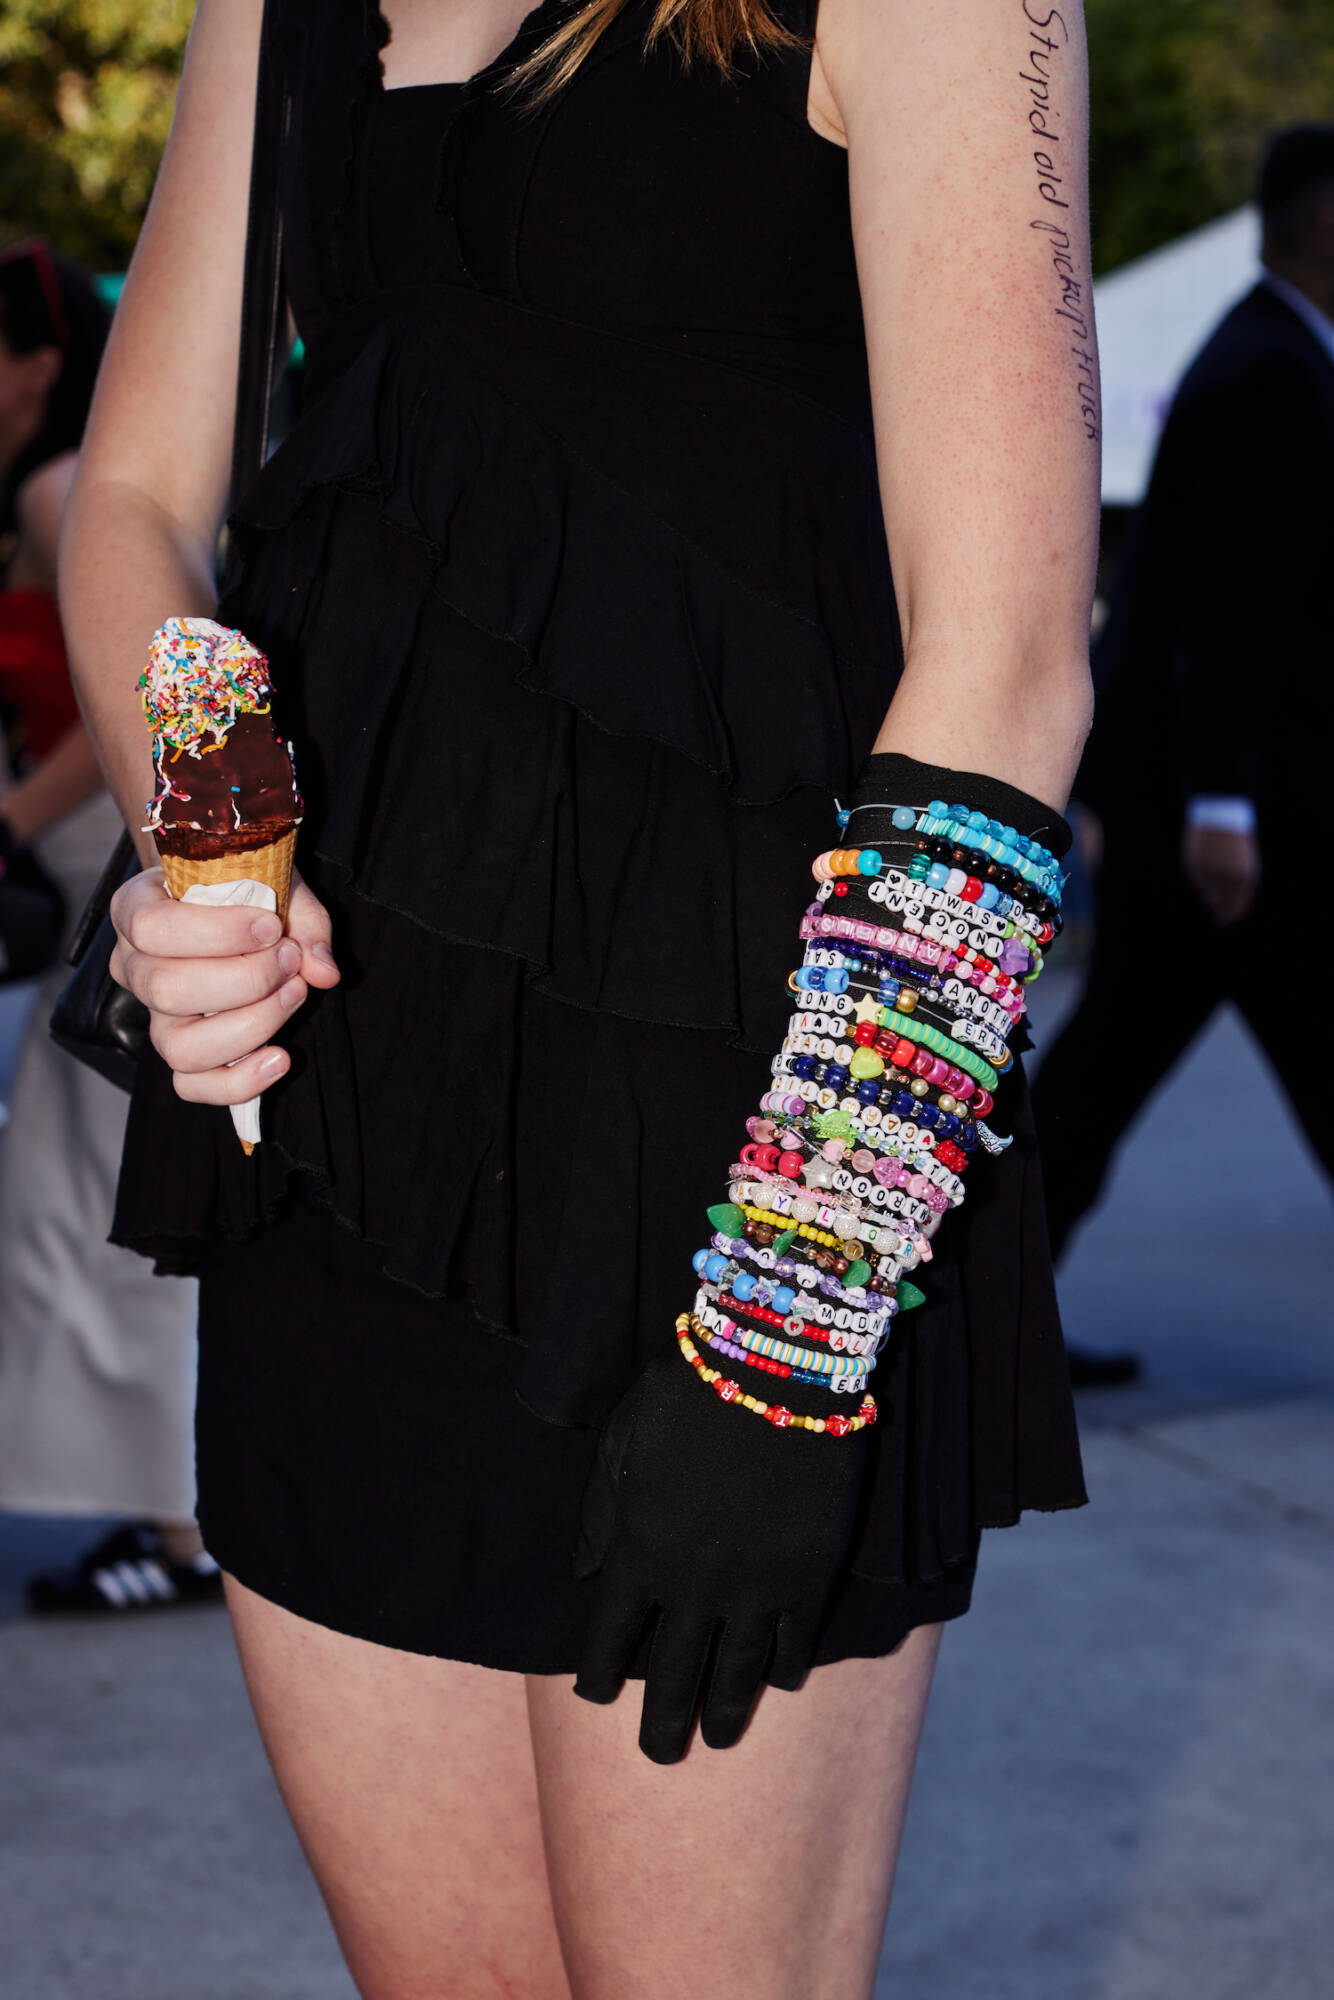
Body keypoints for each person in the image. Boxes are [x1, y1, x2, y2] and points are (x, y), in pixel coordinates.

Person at [61, 0, 1096, 1991]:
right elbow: (137, 508)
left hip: (754, 1133)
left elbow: (1009, 654)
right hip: (340, 1124)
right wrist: (208, 850)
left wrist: (793, 1313)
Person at [1033, 124, 1334, 1384]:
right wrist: (1220, 805)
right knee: (1096, 1081)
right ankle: (970, 1337)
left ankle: (979, 1336)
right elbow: (1228, 614)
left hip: (1210, 815)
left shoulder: (1263, 354)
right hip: (1222, 822)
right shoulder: (1273, 373)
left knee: (1094, 1081)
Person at [0, 239, 216, 1612]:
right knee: (99, 1186)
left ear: (39, 364)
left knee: (110, 1191)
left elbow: (116, 701)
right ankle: (169, 1510)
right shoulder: (71, 484)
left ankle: (176, 1521)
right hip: (113, 853)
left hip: (104, 860)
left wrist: (12, 823)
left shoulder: (62, 489)